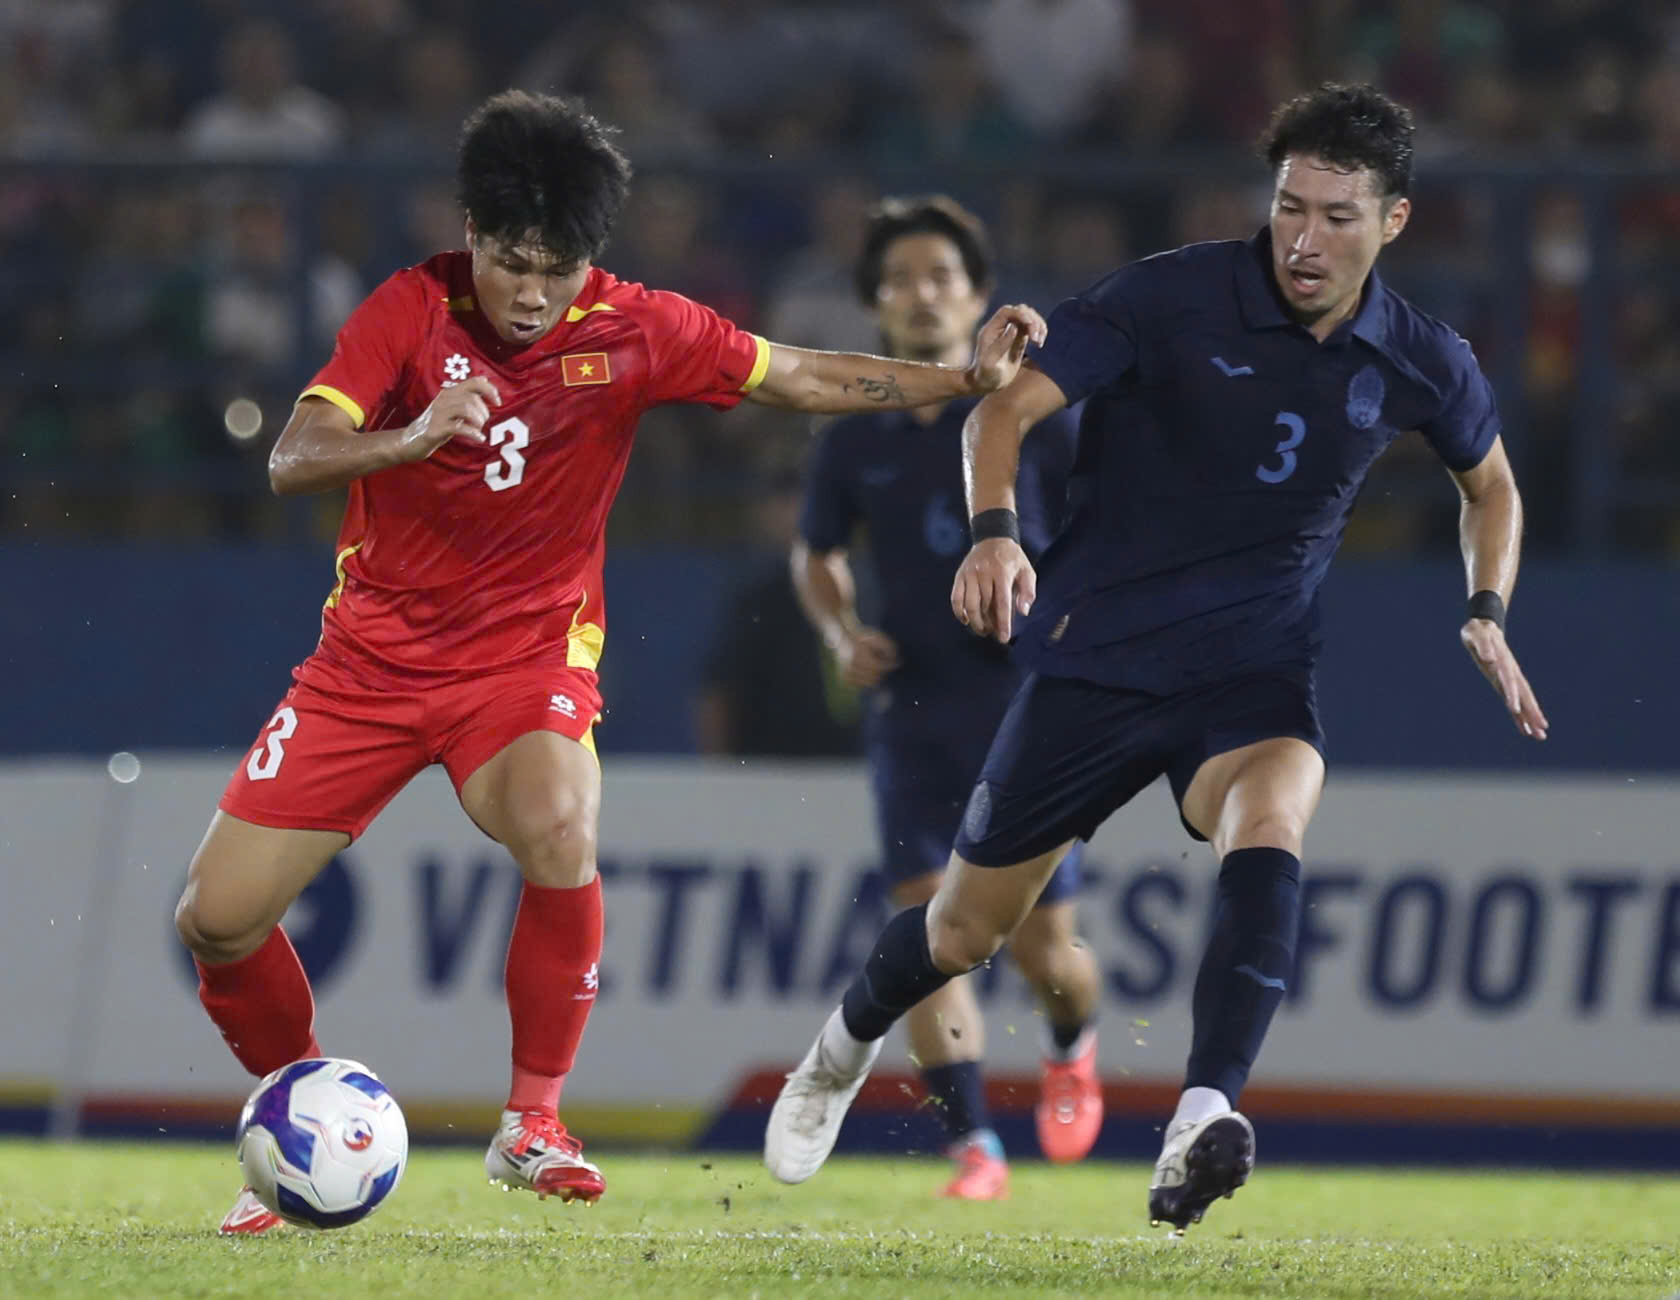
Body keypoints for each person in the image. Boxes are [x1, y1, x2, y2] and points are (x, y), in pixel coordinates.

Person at [173, 88, 1046, 1236]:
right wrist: (415, 433)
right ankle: (298, 1109)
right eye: (515, 261)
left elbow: (799, 378)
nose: (535, 292)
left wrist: (961, 384)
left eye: (562, 265)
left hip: (523, 660)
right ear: (472, 233)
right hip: (367, 665)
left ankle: (533, 1121)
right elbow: (296, 455)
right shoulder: (407, 309)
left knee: (560, 821)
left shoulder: (636, 327)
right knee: (216, 922)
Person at [763, 83, 1549, 1230]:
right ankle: (838, 1049)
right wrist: (995, 533)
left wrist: (1486, 602)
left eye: (1338, 215)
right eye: (1290, 206)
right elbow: (999, 413)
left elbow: (1493, 485)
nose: (1304, 238)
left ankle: (1204, 1108)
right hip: (1097, 656)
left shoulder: (1424, 357)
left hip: (1252, 667)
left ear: (1395, 223)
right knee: (964, 933)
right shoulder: (1173, 294)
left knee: (1276, 811)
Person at [790, 196, 1101, 1201]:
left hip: (1028, 704)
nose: (920, 296)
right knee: (927, 924)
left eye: (941, 278)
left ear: (977, 295)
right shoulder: (856, 432)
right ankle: (976, 1144)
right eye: (899, 281)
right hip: (914, 710)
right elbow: (816, 553)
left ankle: (1072, 1037)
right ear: (876, 304)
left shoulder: (1030, 414)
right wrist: (843, 632)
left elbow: (1102, 531)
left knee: (1047, 951)